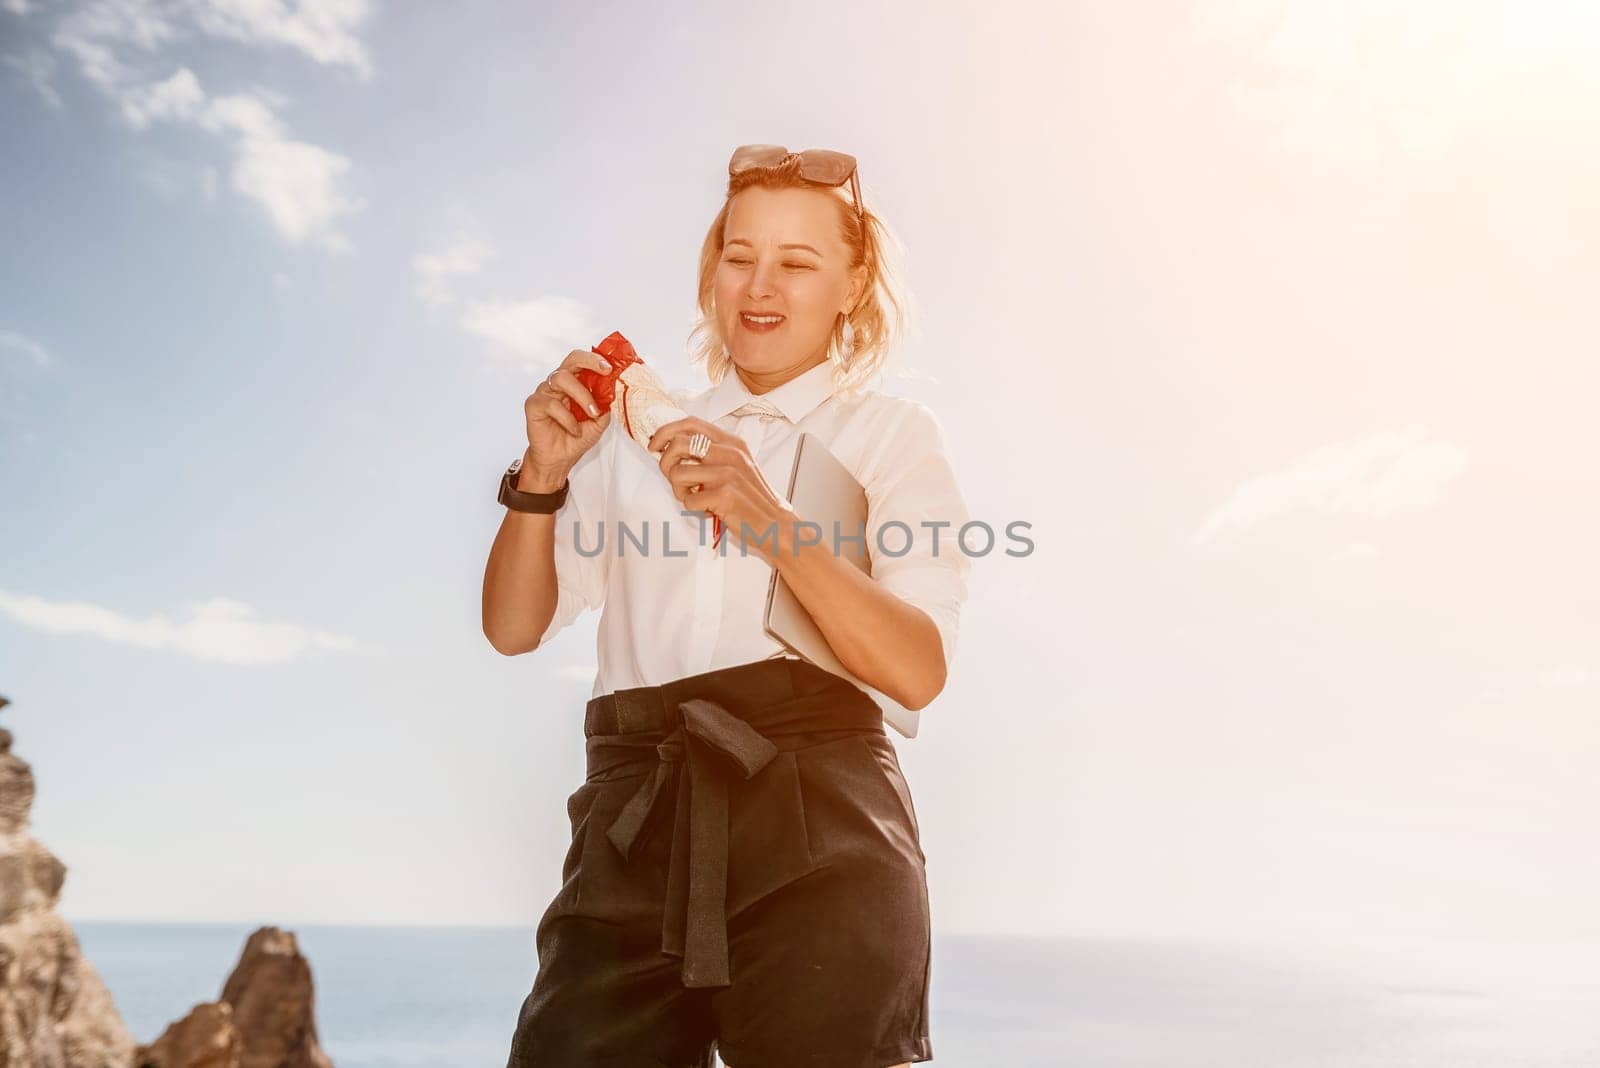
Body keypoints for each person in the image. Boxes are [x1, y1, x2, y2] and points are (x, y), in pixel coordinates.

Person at [483, 144, 971, 1068]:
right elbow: (512, 629)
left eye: (798, 262)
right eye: (739, 255)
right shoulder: (623, 442)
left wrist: (770, 518)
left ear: (852, 284)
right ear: (711, 270)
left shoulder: (892, 434)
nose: (760, 285)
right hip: (636, 810)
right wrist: (544, 475)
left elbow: (916, 668)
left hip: (819, 813)